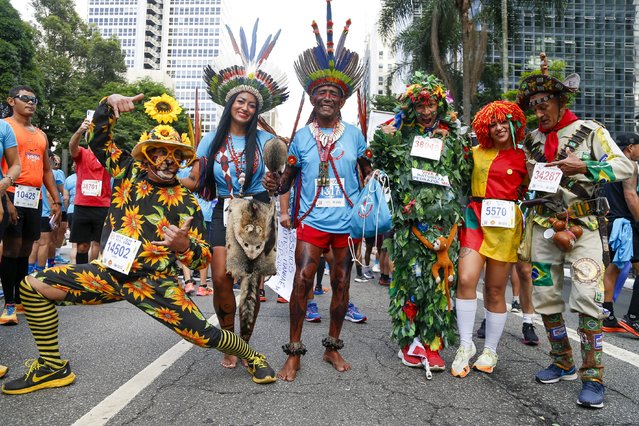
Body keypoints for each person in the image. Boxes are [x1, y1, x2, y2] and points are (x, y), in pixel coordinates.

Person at [1, 92, 278, 395]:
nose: (168, 160)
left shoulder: (187, 202)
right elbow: (99, 140)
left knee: (204, 335)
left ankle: (251, 355)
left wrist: (185, 246)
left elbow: (201, 260)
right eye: (159, 151)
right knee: (33, 285)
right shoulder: (126, 172)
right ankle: (52, 366)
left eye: (174, 155)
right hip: (107, 275)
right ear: (146, 155)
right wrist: (107, 102)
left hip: (155, 284)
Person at [516, 56, 634, 408]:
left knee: (587, 299)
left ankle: (593, 377)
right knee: (545, 298)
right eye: (534, 106)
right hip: (544, 227)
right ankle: (562, 361)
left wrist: (585, 165)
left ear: (560, 101)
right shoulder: (531, 140)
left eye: (545, 103)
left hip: (584, 227)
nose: (539, 111)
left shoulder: (590, 131)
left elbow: (625, 165)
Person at [180, 21, 288, 370]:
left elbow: (278, 179)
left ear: (258, 111)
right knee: (222, 279)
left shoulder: (265, 141)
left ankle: (244, 345)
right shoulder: (210, 140)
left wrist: (276, 182)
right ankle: (229, 338)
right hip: (222, 211)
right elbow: (195, 180)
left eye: (251, 104)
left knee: (252, 283)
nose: (245, 107)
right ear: (230, 104)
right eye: (240, 101)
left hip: (256, 212)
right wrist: (159, 176)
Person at [274, 0, 369, 382]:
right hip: (312, 219)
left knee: (342, 284)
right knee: (302, 280)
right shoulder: (299, 138)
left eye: (333, 92)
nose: (327, 97)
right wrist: (276, 184)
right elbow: (288, 178)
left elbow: (369, 174)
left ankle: (332, 347)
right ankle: (294, 352)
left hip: (345, 222)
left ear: (342, 100)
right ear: (312, 98)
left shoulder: (357, 135)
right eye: (320, 92)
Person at [370, 72, 471, 374]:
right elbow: (381, 162)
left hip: (444, 224)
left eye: (431, 105)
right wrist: (383, 139)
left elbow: (464, 175)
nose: (426, 112)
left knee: (440, 284)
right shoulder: (400, 133)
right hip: (410, 225)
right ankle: (409, 342)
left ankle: (433, 343)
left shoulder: (452, 136)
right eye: (420, 106)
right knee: (410, 282)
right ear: (412, 107)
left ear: (440, 105)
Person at [452, 101, 528, 377]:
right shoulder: (474, 153)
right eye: (492, 124)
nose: (498, 127)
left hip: (506, 226)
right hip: (474, 219)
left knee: (495, 291)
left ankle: (491, 350)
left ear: (513, 124)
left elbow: (536, 189)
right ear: (486, 128)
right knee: (465, 279)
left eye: (502, 122)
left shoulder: (525, 158)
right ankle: (465, 345)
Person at [0, 86, 61, 326]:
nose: (31, 103)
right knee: (11, 249)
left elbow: (46, 170)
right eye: (25, 98)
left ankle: (23, 297)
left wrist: (56, 200)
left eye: (34, 99)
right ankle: (9, 303)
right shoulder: (5, 127)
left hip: (34, 197)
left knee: (26, 249)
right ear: (11, 101)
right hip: (11, 193)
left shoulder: (41, 135)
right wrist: (5, 199)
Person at [601, 132, 639, 337]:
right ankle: (634, 318)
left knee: (611, 270)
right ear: (630, 147)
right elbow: (630, 195)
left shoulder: (608, 163)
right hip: (626, 224)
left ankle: (607, 316)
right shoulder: (629, 165)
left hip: (609, 222)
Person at [68, 118, 111, 265]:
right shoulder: (82, 153)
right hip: (82, 206)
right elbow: (72, 146)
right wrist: (80, 130)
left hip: (103, 206)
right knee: (82, 246)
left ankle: (93, 273)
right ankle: (80, 273)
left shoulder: (108, 156)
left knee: (99, 245)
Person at [63, 165, 77, 263]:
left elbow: (65, 198)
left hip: (72, 210)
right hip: (88, 210)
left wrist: (68, 209)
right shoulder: (89, 177)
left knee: (74, 245)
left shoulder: (69, 179)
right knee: (90, 243)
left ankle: (73, 267)